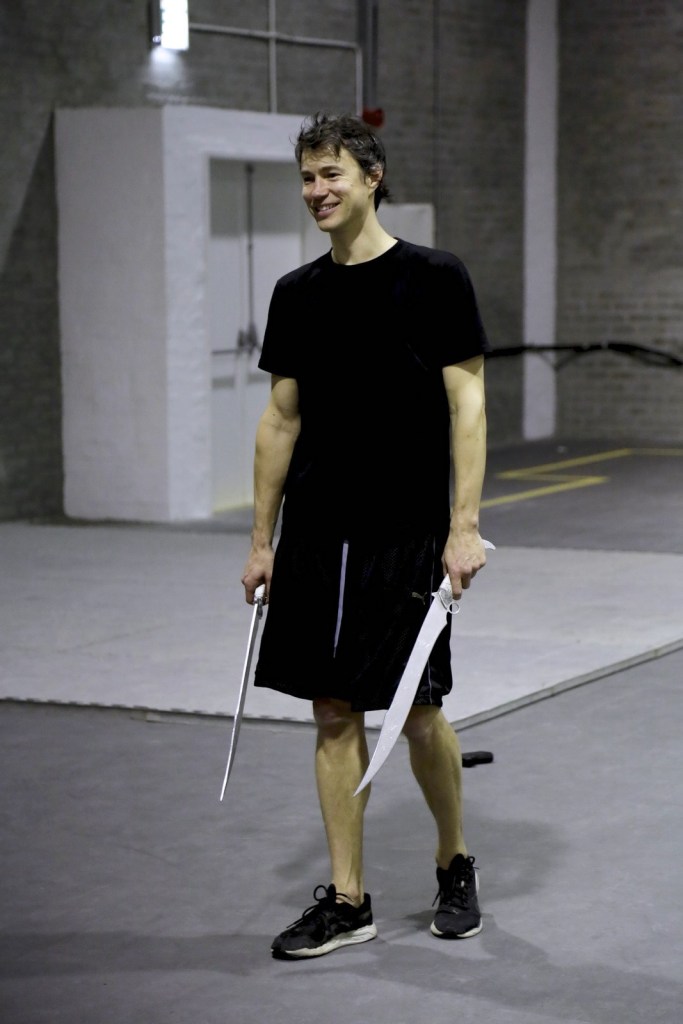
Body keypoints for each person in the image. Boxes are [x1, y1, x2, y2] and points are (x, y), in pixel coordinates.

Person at [241, 111, 491, 960]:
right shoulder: (296, 294)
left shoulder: (434, 277)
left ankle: (453, 861)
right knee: (331, 712)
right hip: (317, 536)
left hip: (405, 534)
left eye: (330, 175)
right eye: (307, 178)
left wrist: (463, 526)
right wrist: (261, 540)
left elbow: (467, 404)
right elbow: (280, 421)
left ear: (371, 177)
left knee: (418, 712)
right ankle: (348, 901)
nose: (316, 191)